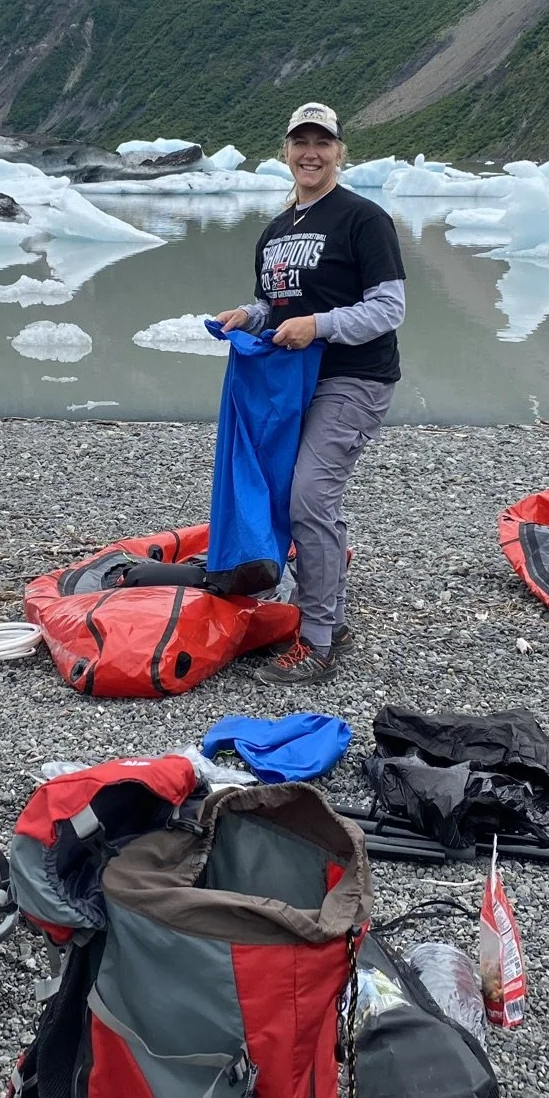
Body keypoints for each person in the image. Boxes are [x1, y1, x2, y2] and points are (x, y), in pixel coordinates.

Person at [215, 102, 405, 685]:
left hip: (355, 379)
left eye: (323, 142)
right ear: (286, 150)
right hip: (292, 385)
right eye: (301, 141)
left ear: (340, 152)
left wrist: (319, 325)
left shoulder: (362, 219)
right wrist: (248, 315)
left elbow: (388, 308)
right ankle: (329, 616)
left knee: (309, 497)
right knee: (288, 493)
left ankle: (318, 638)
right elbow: (277, 305)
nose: (311, 152)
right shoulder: (276, 232)